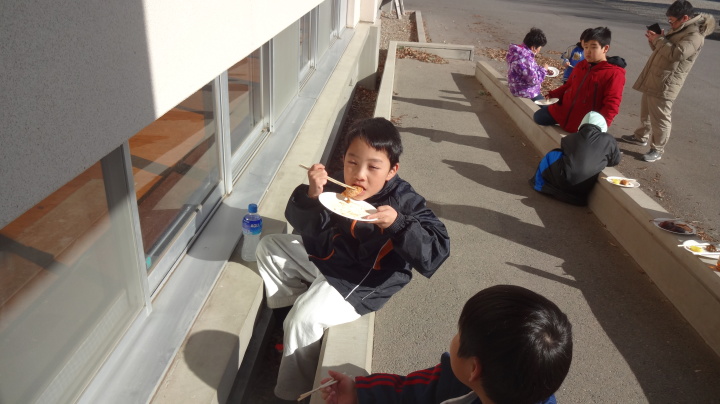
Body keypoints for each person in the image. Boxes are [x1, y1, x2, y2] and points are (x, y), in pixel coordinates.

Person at [256, 117, 451, 401]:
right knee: (270, 247)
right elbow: (309, 224)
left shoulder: (405, 201)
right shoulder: (338, 183)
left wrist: (398, 225)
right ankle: (287, 331)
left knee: (303, 319)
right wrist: (311, 195)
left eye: (373, 167)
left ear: (392, 170)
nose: (359, 175)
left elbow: (437, 251)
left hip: (364, 278)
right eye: (352, 162)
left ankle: (292, 392)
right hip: (332, 257)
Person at [319, 284, 574, 404]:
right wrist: (360, 392)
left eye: (460, 334)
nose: (454, 338)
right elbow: (413, 391)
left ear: (474, 368)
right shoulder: (515, 382)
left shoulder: (467, 380)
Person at [621, 0, 716, 162]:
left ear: (684, 17)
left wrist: (659, 40)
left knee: (660, 117)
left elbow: (677, 54)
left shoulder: (694, 35)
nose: (670, 23)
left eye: (672, 20)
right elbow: (665, 50)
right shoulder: (681, 28)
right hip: (656, 76)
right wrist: (655, 40)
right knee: (646, 111)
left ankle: (657, 149)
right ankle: (640, 136)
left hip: (667, 82)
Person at [533, 27, 627, 133]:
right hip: (564, 111)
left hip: (584, 121)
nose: (588, 51)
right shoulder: (581, 65)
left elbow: (611, 104)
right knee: (538, 117)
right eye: (585, 47)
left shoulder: (614, 73)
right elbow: (568, 85)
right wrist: (553, 95)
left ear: (605, 48)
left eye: (593, 47)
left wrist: (599, 128)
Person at [529, 111, 621, 206]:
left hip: (564, 180)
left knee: (553, 154)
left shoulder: (569, 138)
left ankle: (539, 184)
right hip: (582, 190)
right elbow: (615, 161)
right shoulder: (609, 139)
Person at [506, 28, 550, 102]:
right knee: (547, 107)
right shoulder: (525, 58)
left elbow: (528, 71)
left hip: (515, 86)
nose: (539, 51)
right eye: (539, 48)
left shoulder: (516, 51)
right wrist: (544, 70)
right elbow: (533, 80)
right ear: (533, 47)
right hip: (524, 91)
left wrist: (540, 69)